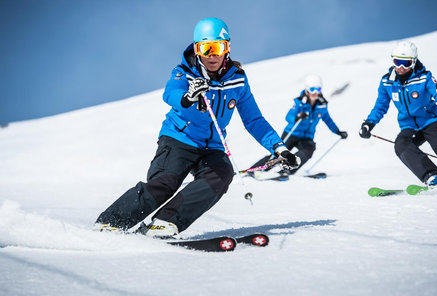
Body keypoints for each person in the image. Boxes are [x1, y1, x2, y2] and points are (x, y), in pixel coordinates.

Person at [94, 18, 297, 237]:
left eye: (218, 47)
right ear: (197, 50)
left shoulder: (237, 80)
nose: (212, 55)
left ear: (226, 49)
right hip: (179, 138)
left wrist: (279, 148)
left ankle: (165, 222)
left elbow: (254, 120)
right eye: (205, 48)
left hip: (213, 145)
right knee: (166, 182)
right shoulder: (185, 71)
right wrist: (189, 97)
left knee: (222, 174)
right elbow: (170, 92)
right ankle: (111, 221)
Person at [359, 40, 437, 186]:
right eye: (397, 61)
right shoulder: (387, 82)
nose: (400, 67)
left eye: (405, 63)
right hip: (409, 126)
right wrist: (369, 123)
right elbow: (381, 106)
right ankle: (433, 176)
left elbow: (436, 93)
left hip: (431, 120)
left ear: (413, 62)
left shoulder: (424, 77)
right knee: (401, 145)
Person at [249, 74, 348, 177]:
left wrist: (338, 131)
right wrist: (298, 117)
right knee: (280, 154)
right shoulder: (299, 102)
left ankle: (287, 171)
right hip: (292, 133)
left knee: (309, 149)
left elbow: (328, 120)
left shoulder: (322, 105)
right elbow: (288, 116)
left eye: (318, 89)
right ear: (307, 89)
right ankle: (254, 170)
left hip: (307, 137)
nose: (315, 93)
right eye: (312, 89)